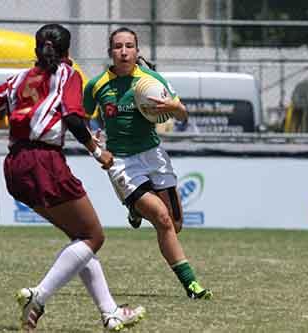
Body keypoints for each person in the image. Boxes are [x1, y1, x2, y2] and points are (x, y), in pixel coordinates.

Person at [0, 24, 145, 332]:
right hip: (44, 161)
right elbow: (70, 116)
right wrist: (97, 152)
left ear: (37, 50)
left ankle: (110, 312)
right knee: (94, 237)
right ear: (68, 52)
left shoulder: (18, 80)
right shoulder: (68, 75)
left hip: (15, 165)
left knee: (80, 240)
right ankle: (38, 297)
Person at [83, 27, 213, 300]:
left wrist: (172, 108)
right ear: (110, 52)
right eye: (118, 46)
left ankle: (135, 211)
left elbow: (183, 114)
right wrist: (92, 134)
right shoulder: (96, 85)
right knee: (163, 219)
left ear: (137, 51)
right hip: (121, 163)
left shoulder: (151, 80)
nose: (124, 51)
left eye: (129, 46)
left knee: (175, 224)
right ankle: (191, 285)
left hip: (153, 156)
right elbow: (82, 117)